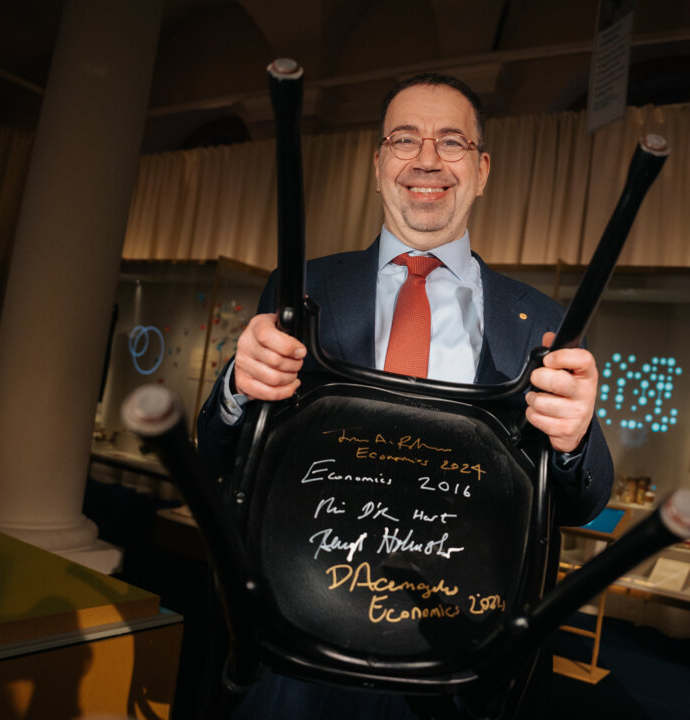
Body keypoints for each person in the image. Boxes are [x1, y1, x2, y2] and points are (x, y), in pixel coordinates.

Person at [196, 73, 613, 719]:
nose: (426, 159)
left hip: (456, 656)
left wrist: (575, 436)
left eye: (451, 142)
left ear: (481, 170)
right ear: (377, 164)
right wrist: (236, 385)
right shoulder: (302, 286)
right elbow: (220, 451)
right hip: (297, 636)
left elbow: (582, 501)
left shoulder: (539, 318)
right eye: (404, 139)